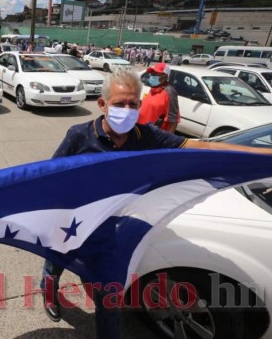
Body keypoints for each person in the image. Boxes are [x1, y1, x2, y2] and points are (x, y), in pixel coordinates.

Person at [40, 68, 272, 338]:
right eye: (119, 104)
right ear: (102, 104)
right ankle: (49, 290)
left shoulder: (147, 136)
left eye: (133, 104)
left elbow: (204, 148)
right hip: (74, 220)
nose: (126, 110)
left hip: (112, 231)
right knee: (54, 260)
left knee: (108, 297)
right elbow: (49, 177)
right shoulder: (79, 135)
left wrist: (263, 155)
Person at [138, 63, 179, 132]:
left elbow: (173, 121)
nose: (152, 76)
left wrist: (167, 140)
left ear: (165, 76)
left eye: (156, 73)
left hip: (153, 136)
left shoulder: (170, 92)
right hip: (141, 131)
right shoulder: (153, 89)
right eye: (152, 73)